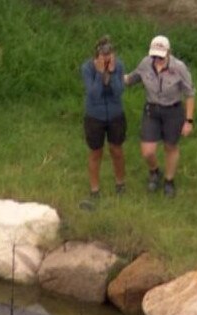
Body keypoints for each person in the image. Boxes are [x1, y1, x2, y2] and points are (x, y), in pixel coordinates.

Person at [124, 35, 195, 198]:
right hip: (152, 110)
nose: (157, 59)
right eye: (154, 55)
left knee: (170, 146)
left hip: (173, 111)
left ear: (169, 53)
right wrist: (113, 76)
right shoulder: (145, 64)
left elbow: (190, 94)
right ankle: (155, 171)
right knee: (147, 151)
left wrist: (188, 121)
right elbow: (132, 78)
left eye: (161, 56)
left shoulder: (179, 68)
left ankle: (169, 180)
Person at [80, 36, 126, 201]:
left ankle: (120, 183)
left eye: (110, 54)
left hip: (115, 114)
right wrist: (100, 74)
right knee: (95, 152)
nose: (107, 58)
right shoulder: (87, 68)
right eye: (103, 55)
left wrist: (112, 74)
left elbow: (119, 91)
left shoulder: (118, 66)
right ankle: (94, 189)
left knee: (117, 150)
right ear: (97, 56)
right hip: (95, 116)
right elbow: (93, 94)